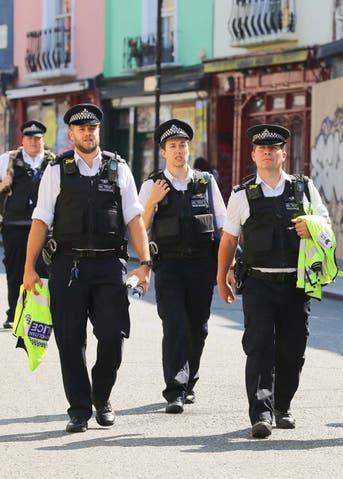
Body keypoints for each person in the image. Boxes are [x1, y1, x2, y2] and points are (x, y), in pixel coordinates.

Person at [22, 103, 153, 433]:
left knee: (113, 334)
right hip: (68, 266)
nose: (87, 133)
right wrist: (29, 268)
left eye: (92, 128)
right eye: (81, 129)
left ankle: (102, 395)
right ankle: (79, 409)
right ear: (71, 134)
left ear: (99, 131)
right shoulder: (57, 170)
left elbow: (134, 218)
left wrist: (146, 264)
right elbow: (40, 220)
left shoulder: (118, 168)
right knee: (69, 339)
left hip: (110, 265)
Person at [216, 124, 330, 439]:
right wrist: (221, 277)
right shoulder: (241, 195)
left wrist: (313, 229)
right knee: (260, 347)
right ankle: (261, 413)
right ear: (253, 155)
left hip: (297, 283)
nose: (268, 153)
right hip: (258, 284)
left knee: (293, 350)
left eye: (274, 148)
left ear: (283, 154)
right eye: (262, 149)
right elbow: (228, 240)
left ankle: (282, 406)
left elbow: (325, 224)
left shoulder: (304, 189)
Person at [138, 119, 226, 414]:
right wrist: (152, 201)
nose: (179, 151)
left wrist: (227, 267)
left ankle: (189, 383)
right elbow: (138, 227)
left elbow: (223, 227)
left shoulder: (206, 182)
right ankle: (175, 389)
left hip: (202, 265)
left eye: (183, 145)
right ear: (163, 152)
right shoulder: (152, 184)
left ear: (189, 149)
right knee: (174, 325)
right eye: (173, 146)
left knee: (197, 328)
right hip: (169, 266)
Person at [0, 121, 52, 329]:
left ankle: (39, 314)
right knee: (15, 271)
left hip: (45, 228)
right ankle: (15, 313)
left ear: (43, 141)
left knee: (44, 272)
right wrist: (4, 184)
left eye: (37, 138)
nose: (33, 142)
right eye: (29, 137)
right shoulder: (8, 160)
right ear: (22, 140)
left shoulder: (52, 162)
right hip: (15, 226)